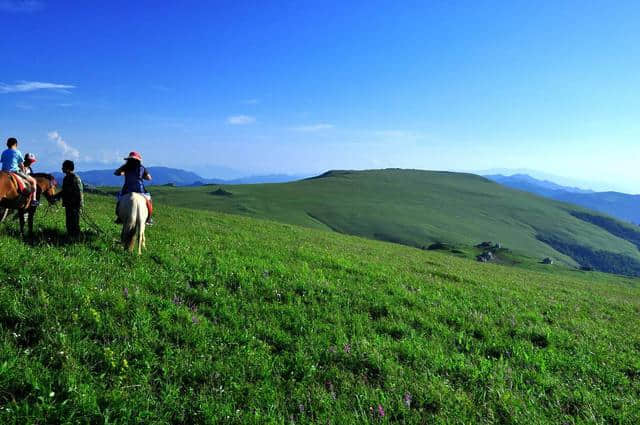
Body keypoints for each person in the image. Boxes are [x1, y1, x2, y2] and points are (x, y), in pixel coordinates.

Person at [114, 151, 153, 225]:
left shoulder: (125, 167)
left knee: (119, 199)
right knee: (149, 200)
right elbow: (149, 178)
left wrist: (124, 173)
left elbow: (116, 173)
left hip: (127, 189)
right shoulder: (142, 168)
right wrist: (142, 176)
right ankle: (149, 218)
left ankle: (119, 217)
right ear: (138, 160)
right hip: (140, 190)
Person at [1, 138, 39, 207]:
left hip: (3, 171)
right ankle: (34, 200)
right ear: (16, 144)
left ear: (7, 144)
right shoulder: (17, 152)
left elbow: (3, 161)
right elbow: (21, 165)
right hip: (14, 171)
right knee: (33, 181)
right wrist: (24, 172)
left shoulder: (4, 152)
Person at [53, 160, 83, 238]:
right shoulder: (66, 178)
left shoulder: (74, 178)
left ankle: (76, 237)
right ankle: (70, 237)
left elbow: (79, 192)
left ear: (68, 168)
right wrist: (56, 196)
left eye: (63, 167)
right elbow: (64, 191)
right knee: (69, 222)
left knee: (74, 222)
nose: (62, 168)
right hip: (69, 204)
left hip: (74, 204)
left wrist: (79, 204)